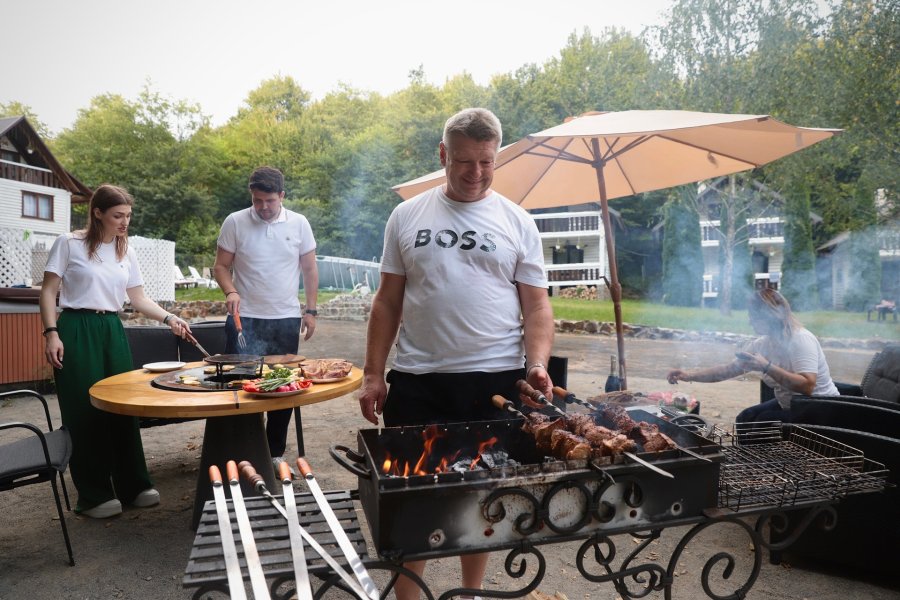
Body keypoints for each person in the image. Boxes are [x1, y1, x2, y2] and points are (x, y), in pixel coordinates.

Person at [358, 108, 555, 599]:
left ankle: (470, 592)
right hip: (419, 379)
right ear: (443, 154)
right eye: (464, 161)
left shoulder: (518, 220)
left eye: (486, 162)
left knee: (482, 496)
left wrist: (537, 365)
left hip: (494, 383)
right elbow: (387, 301)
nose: (476, 173)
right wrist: (373, 374)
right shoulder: (407, 215)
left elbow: (537, 306)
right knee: (411, 498)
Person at [40, 184, 193, 519]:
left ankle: (134, 485)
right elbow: (48, 291)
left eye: (128, 216)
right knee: (84, 409)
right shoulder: (69, 244)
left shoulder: (126, 251)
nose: (125, 222)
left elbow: (137, 298)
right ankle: (94, 494)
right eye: (118, 216)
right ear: (98, 213)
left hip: (112, 328)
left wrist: (169, 318)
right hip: (76, 327)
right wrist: (52, 333)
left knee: (124, 407)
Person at [213, 166, 319, 473]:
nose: (262, 207)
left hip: (285, 318)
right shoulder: (235, 222)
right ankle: (243, 449)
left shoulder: (299, 223)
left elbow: (310, 270)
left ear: (282, 196)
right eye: (257, 200)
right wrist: (230, 290)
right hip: (244, 318)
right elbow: (220, 266)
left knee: (282, 386)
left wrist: (310, 311)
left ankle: (274, 452)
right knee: (240, 385)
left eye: (269, 201)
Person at [666, 287, 838, 423]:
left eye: (753, 316)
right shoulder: (763, 344)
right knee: (745, 418)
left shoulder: (800, 339)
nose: (749, 321)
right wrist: (688, 375)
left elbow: (807, 386)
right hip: (792, 405)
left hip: (820, 408)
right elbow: (728, 370)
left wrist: (767, 367)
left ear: (769, 316)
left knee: (762, 423)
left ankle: (769, 465)